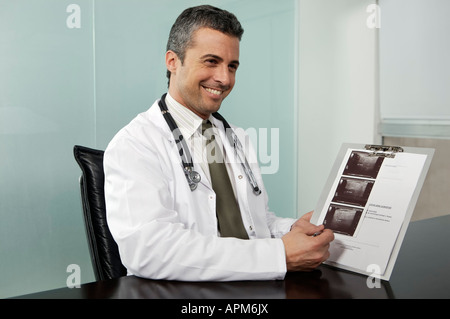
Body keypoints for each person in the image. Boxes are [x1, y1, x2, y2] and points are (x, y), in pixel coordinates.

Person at [104, 5, 334, 281]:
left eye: (232, 66)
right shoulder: (136, 144)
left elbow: (252, 222)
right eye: (211, 61)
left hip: (252, 288)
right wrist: (278, 254)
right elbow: (151, 251)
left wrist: (290, 230)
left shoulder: (235, 137)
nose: (224, 79)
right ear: (172, 61)